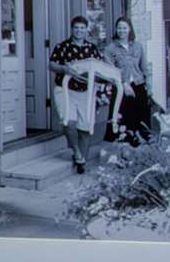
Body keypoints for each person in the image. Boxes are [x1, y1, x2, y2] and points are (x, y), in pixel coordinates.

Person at [47, 15, 120, 174]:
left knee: (85, 127)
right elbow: (51, 64)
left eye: (82, 28)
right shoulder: (62, 46)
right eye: (76, 28)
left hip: (85, 92)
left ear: (86, 30)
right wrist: (64, 69)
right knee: (69, 123)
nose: (79, 31)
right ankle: (77, 153)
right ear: (72, 29)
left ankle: (82, 162)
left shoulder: (92, 48)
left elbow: (100, 67)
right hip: (65, 90)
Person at [105, 16, 159, 146]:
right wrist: (124, 83)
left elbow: (144, 68)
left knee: (141, 120)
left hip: (138, 86)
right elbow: (109, 71)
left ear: (129, 29)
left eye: (124, 28)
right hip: (120, 88)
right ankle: (124, 149)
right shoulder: (110, 48)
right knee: (122, 121)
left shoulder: (138, 46)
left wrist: (149, 87)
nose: (121, 30)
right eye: (119, 28)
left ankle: (141, 148)